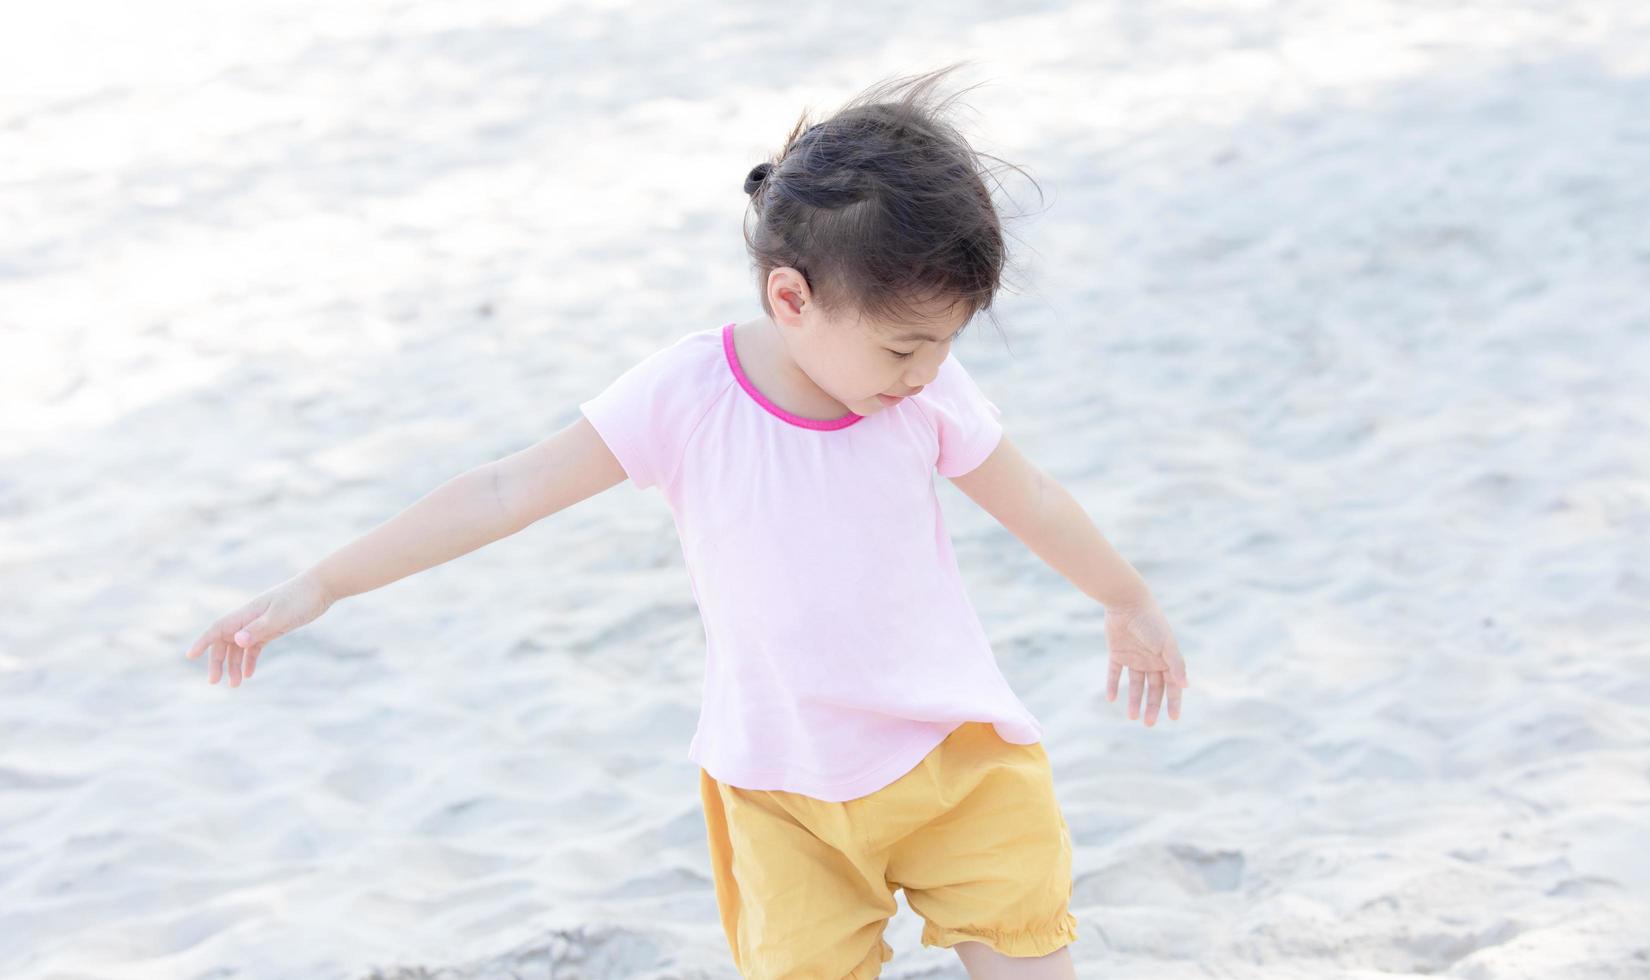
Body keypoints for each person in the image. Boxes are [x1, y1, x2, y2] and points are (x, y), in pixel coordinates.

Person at [183, 63, 1188, 980]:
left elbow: (1034, 498)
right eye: (900, 349)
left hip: (956, 756)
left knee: (1028, 955)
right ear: (789, 297)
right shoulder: (683, 396)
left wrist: (1126, 597)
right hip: (780, 787)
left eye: (943, 344)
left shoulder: (925, 396)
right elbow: (503, 490)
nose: (924, 371)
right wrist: (320, 581)